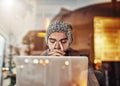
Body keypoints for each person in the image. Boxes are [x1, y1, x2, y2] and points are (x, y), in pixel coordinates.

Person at [40, 21, 100, 86]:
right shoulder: (40, 59)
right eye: (52, 41)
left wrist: (67, 66)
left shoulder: (81, 60)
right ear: (47, 41)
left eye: (63, 42)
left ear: (69, 42)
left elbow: (93, 84)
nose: (57, 46)